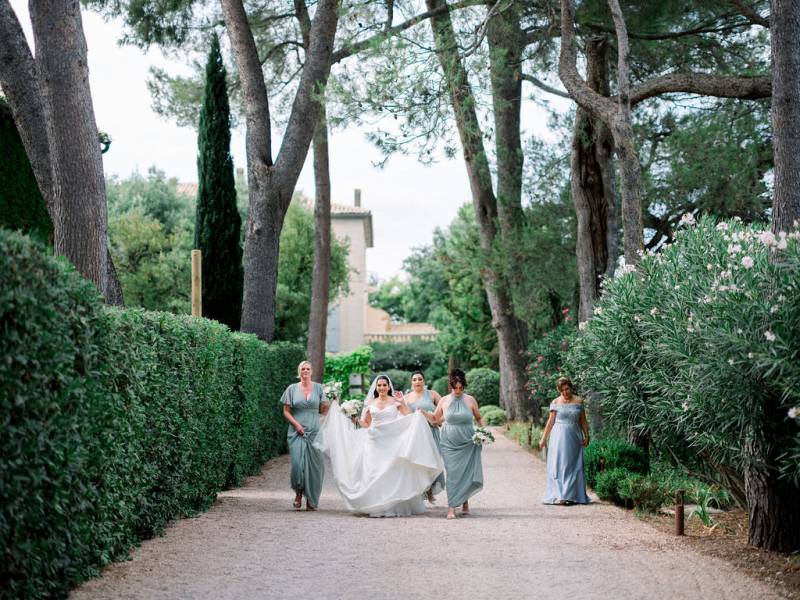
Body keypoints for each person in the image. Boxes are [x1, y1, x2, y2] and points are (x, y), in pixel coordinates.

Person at [316, 374, 443, 517]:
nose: (382, 387)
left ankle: (392, 506)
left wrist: (405, 404)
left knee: (390, 473)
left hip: (392, 442)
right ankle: (374, 504)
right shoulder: (370, 403)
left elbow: (409, 416)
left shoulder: (396, 401)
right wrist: (355, 420)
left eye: (384, 385)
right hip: (374, 442)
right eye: (379, 385)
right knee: (373, 473)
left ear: (389, 387)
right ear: (376, 388)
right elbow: (366, 424)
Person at [432, 368, 484, 520]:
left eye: (461, 388)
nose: (458, 391)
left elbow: (479, 418)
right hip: (449, 442)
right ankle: (451, 507)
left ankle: (465, 502)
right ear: (451, 386)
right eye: (455, 388)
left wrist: (483, 432)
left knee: (466, 473)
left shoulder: (470, 400)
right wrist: (421, 413)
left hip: (468, 441)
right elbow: (435, 419)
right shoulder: (444, 401)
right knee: (453, 474)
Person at [281, 360, 328, 511]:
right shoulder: (292, 389)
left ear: (312, 371)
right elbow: (286, 411)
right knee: (297, 465)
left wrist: (331, 402)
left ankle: (311, 498)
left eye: (308, 368)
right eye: (303, 369)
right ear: (299, 371)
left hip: (315, 431)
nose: (305, 371)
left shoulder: (320, 388)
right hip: (296, 432)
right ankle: (298, 493)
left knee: (315, 467)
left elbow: (323, 410)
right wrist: (297, 425)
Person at [539, 376, 590, 505]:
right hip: (558, 437)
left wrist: (587, 435)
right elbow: (550, 422)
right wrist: (543, 439)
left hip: (574, 436)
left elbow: (583, 420)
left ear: (571, 388)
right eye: (562, 391)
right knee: (559, 464)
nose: (565, 393)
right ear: (559, 391)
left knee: (573, 465)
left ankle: (572, 495)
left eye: (567, 389)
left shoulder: (579, 401)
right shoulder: (555, 402)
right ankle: (560, 495)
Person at [405, 371, 446, 502]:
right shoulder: (406, 398)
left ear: (424, 381)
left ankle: (430, 489)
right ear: (411, 382)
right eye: (415, 379)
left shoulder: (433, 394)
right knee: (420, 461)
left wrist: (439, 420)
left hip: (432, 432)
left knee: (433, 460)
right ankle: (421, 491)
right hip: (416, 435)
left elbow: (446, 409)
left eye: (420, 379)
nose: (417, 381)